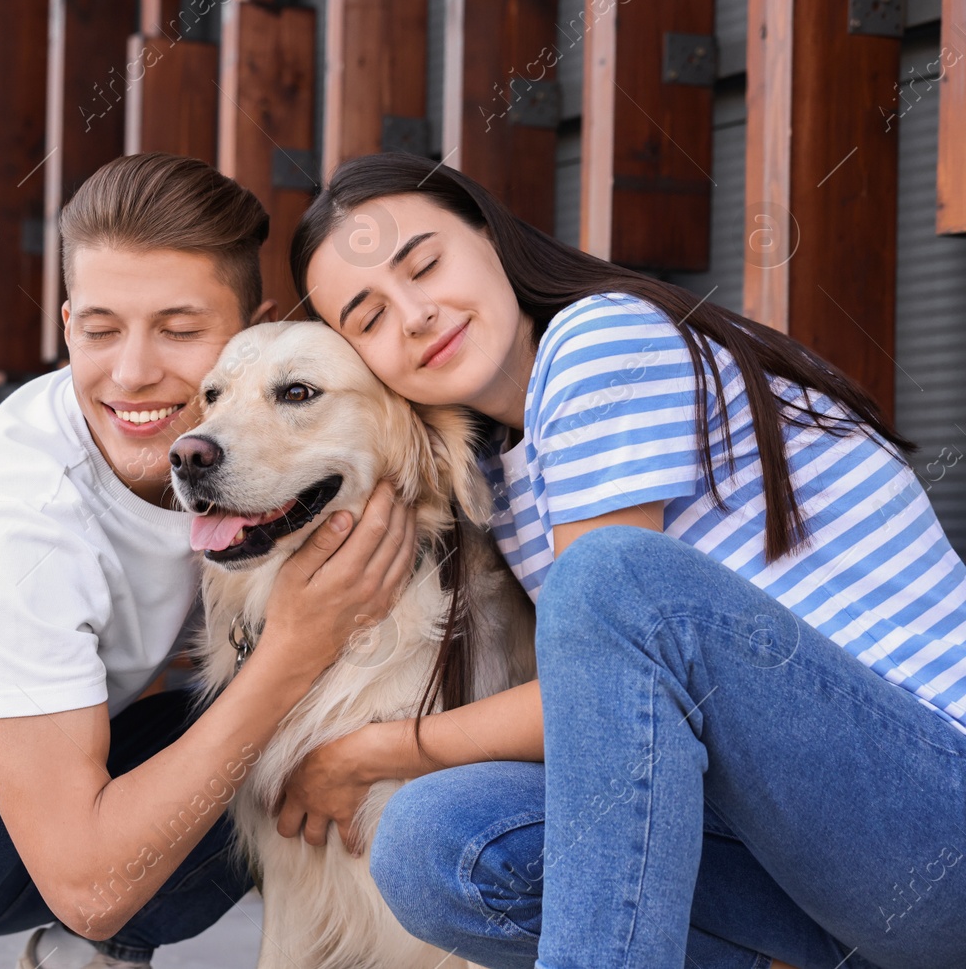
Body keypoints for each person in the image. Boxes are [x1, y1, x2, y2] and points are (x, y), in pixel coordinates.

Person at [0, 152, 419, 969]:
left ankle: (84, 952)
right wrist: (293, 648)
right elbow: (91, 877)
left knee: (235, 727)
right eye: (100, 331)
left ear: (254, 333)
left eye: (181, 329)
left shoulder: (261, 463)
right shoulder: (17, 518)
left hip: (46, 825)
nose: (132, 372)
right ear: (66, 328)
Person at [277, 151, 966, 969]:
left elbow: (592, 680)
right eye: (370, 318)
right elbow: (614, 726)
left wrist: (370, 748)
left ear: (491, 239)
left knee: (612, 576)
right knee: (434, 842)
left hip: (934, 808)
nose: (416, 316)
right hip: (818, 876)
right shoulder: (500, 466)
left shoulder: (602, 338)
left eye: (425, 264)